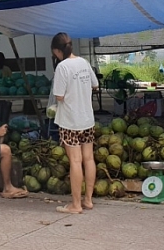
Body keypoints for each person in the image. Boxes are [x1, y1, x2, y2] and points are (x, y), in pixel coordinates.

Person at [51, 32, 98, 214]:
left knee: (76, 162)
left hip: (70, 121)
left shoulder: (62, 67)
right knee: (89, 159)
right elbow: (95, 85)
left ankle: (76, 205)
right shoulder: (84, 63)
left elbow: (59, 96)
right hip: (87, 119)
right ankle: (88, 200)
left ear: (56, 50)